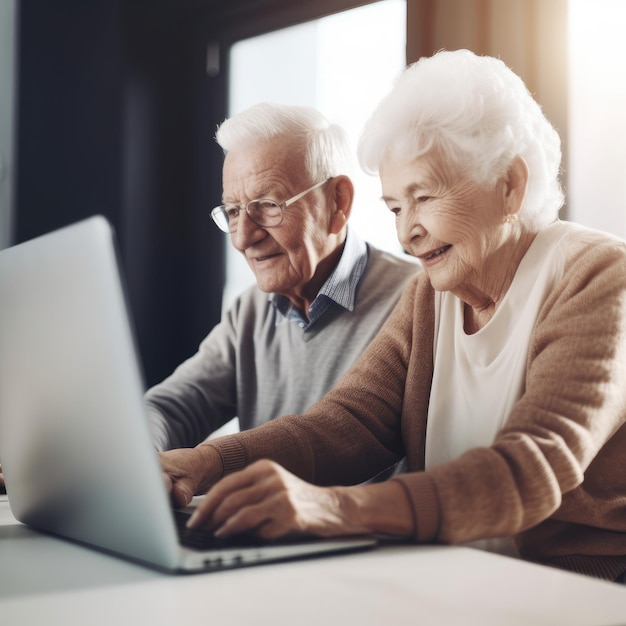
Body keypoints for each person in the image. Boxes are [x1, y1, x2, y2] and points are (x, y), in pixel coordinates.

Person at [160, 49, 626, 582]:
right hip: (458, 582)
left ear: (510, 185)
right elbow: (349, 424)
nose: (407, 235)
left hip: (582, 592)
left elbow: (532, 467)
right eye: (395, 209)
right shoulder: (430, 296)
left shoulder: (599, 276)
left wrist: (336, 510)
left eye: (424, 197)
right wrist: (208, 463)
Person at [145, 102, 418, 455]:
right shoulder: (250, 312)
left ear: (338, 203)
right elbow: (171, 408)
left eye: (268, 205)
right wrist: (144, 459)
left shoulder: (415, 300)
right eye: (232, 211)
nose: (243, 238)